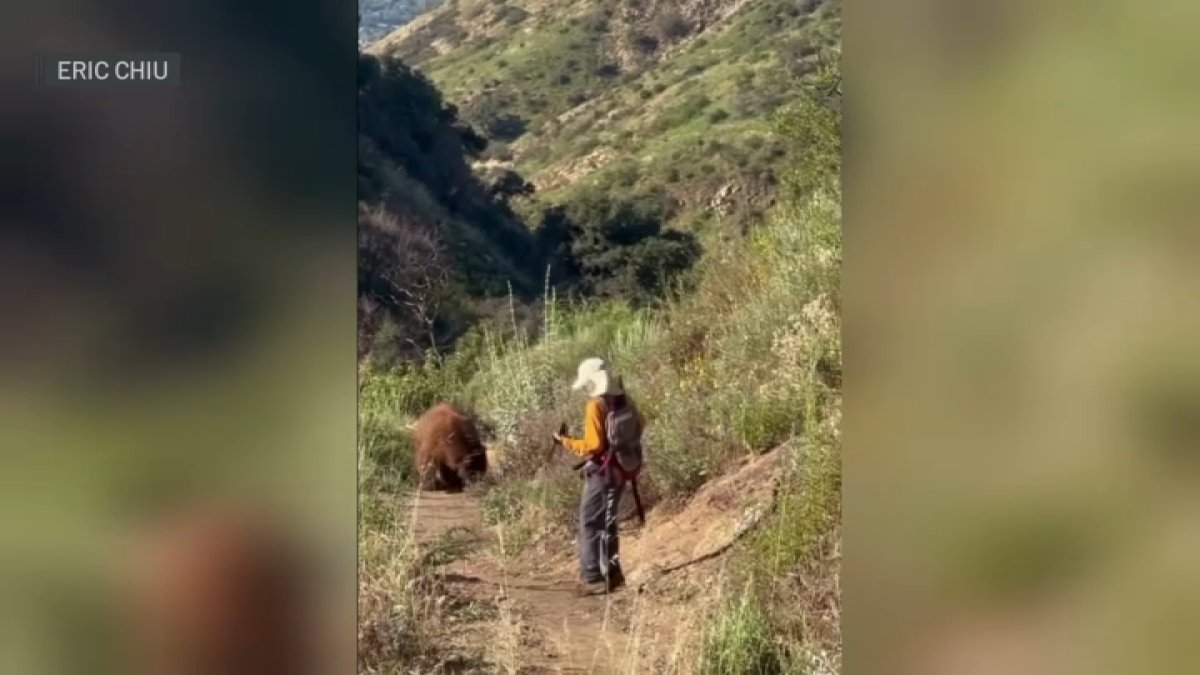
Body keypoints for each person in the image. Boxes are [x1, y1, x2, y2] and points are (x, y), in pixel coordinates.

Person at [553, 357, 645, 596]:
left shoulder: (596, 405)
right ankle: (614, 575)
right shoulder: (625, 399)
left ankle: (593, 577)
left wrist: (566, 441)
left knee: (590, 522)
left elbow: (593, 445)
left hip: (602, 472)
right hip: (623, 469)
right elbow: (641, 424)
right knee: (609, 521)